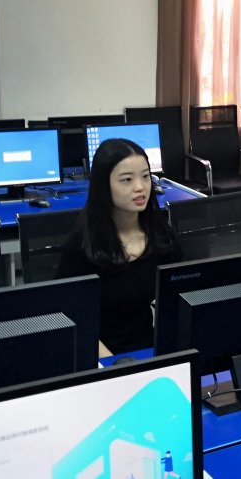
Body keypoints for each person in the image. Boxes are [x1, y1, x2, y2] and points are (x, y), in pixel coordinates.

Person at [55, 139, 183, 357]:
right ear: (104, 186)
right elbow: (68, 315)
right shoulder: (82, 245)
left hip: (149, 351)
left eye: (145, 176)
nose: (140, 187)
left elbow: (182, 293)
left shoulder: (160, 235)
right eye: (127, 180)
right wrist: (113, 364)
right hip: (99, 356)